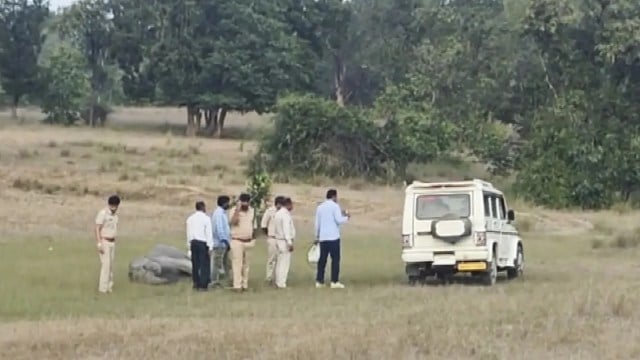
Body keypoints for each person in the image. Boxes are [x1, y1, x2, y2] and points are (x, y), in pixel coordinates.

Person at [314, 189, 350, 289]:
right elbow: (339, 220)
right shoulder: (335, 206)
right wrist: (347, 217)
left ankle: (319, 281)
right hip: (333, 237)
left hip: (323, 238)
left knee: (322, 260)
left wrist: (317, 236)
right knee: (335, 260)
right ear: (334, 196)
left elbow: (317, 223)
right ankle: (334, 281)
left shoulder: (320, 207)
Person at [229, 193, 256, 292]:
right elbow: (233, 222)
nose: (245, 204)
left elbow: (253, 225)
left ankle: (245, 285)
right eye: (243, 202)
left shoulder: (252, 211)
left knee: (246, 265)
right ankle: (237, 286)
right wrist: (237, 209)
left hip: (248, 241)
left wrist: (253, 238)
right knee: (237, 264)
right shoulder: (233, 210)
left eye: (247, 202)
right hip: (237, 241)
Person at [95, 195, 121, 294]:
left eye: (116, 206)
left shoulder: (116, 216)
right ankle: (103, 289)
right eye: (112, 206)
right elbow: (97, 228)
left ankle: (109, 288)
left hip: (112, 242)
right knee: (106, 266)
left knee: (111, 266)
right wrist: (99, 243)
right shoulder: (103, 213)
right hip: (104, 241)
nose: (114, 208)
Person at [186, 201, 214, 291]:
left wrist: (189, 245)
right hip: (202, 243)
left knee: (195, 264)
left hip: (193, 242)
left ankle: (196, 283)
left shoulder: (190, 219)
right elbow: (208, 233)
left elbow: (189, 233)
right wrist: (210, 246)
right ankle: (203, 285)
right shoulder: (206, 219)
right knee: (204, 264)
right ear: (203, 207)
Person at [260, 195, 285, 284]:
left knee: (281, 259)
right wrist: (269, 235)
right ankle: (269, 277)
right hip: (272, 238)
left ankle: (279, 278)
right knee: (271, 259)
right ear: (277, 204)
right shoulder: (270, 211)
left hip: (282, 239)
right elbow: (263, 225)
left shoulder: (284, 213)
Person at [273, 197, 295, 289]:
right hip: (284, 241)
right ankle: (282, 283)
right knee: (284, 263)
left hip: (278, 239)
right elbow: (286, 229)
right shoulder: (285, 214)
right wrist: (289, 242)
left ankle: (278, 281)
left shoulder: (278, 213)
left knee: (279, 262)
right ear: (288, 204)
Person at [210, 195, 232, 287]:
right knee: (217, 263)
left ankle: (227, 280)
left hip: (223, 243)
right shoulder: (219, 213)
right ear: (224, 203)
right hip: (220, 243)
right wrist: (225, 241)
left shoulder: (221, 213)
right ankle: (214, 281)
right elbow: (219, 229)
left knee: (226, 263)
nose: (229, 204)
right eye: (228, 202)